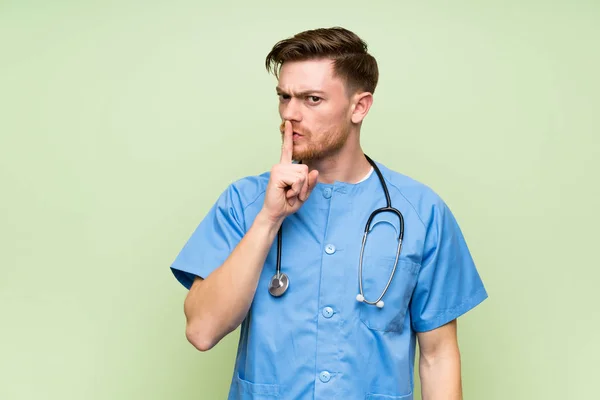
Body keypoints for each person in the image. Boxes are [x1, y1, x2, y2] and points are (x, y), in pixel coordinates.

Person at [170, 26, 488, 400]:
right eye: (284, 97)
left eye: (312, 99)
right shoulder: (243, 202)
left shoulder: (422, 212)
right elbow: (202, 331)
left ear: (359, 106)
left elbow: (438, 356)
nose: (290, 114)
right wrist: (268, 220)